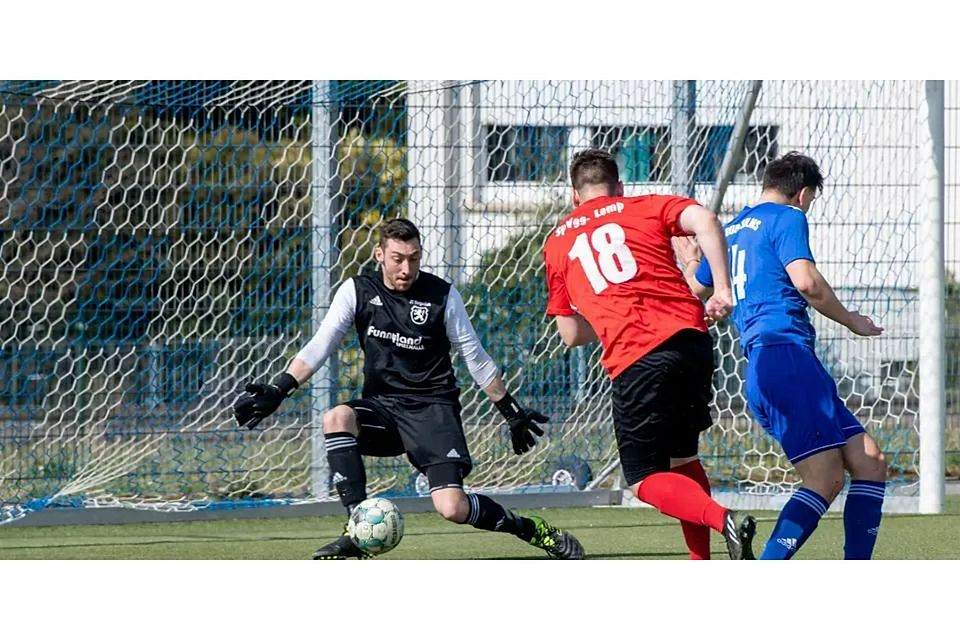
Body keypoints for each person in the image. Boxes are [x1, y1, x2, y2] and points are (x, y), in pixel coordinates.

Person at [233, 218, 584, 560]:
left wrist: (510, 411)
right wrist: (280, 388)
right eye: (397, 259)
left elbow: (474, 356)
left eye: (414, 259)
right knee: (336, 418)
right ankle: (357, 529)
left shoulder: (442, 295)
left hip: (433, 410)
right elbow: (321, 344)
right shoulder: (357, 290)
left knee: (453, 508)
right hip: (384, 409)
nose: (406, 268)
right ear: (379, 255)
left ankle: (530, 529)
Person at [542, 148, 757, 560]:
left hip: (637, 359)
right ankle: (702, 561)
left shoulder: (557, 243)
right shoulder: (647, 206)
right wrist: (723, 289)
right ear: (619, 187)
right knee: (683, 459)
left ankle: (723, 518)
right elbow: (707, 221)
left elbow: (569, 334)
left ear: (574, 195)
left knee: (642, 479)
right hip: (692, 344)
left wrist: (610, 316)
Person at [675, 151, 887, 560]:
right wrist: (851, 320)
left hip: (776, 365)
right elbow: (807, 282)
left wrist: (691, 261)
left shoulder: (730, 230)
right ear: (802, 194)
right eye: (810, 201)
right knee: (824, 478)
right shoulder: (787, 216)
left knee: (870, 462)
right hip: (785, 359)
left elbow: (696, 292)